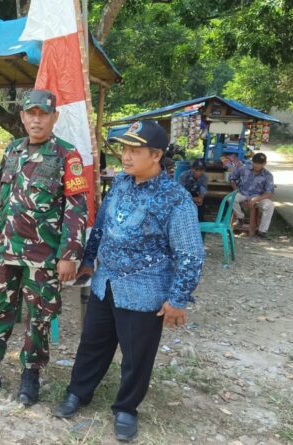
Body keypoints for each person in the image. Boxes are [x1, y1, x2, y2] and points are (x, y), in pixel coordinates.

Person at [54, 120, 204, 442]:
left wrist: (178, 299)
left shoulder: (175, 198)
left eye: (135, 150)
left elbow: (190, 254)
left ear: (156, 155)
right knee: (92, 343)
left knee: (136, 356)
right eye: (124, 149)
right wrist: (89, 261)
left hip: (144, 289)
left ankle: (126, 408)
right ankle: (78, 392)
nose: (126, 156)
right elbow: (102, 225)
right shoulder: (121, 183)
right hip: (105, 283)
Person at [0, 89, 89, 407]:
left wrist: (69, 255)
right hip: (6, 251)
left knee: (39, 317)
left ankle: (31, 377)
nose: (36, 120)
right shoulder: (13, 150)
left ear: (54, 117)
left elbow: (76, 209)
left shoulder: (67, 155)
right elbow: (0, 198)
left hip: (43, 256)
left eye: (43, 114)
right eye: (31, 113)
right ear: (23, 117)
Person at [230, 152, 275, 237]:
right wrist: (235, 189)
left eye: (260, 163)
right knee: (230, 199)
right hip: (242, 193)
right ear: (252, 161)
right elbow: (232, 178)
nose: (257, 165)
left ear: (264, 163)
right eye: (255, 163)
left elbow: (269, 193)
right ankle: (240, 217)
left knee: (270, 205)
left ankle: (262, 231)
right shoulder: (244, 168)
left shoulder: (268, 175)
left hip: (258, 196)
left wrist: (255, 200)